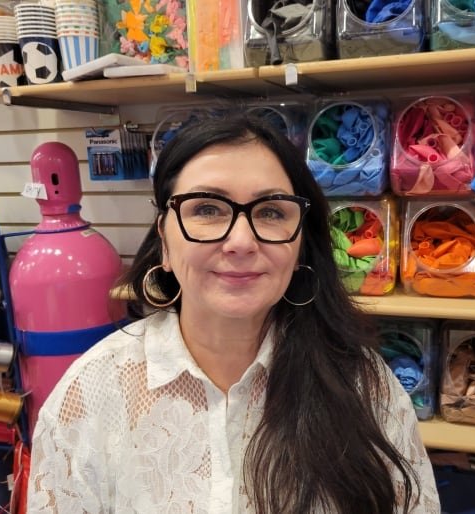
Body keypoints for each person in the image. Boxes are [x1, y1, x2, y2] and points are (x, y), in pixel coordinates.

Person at [27, 110, 440, 513]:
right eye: (206, 209)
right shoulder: (92, 393)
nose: (241, 241)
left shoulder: (364, 386)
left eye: (271, 212)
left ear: (299, 247)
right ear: (165, 242)